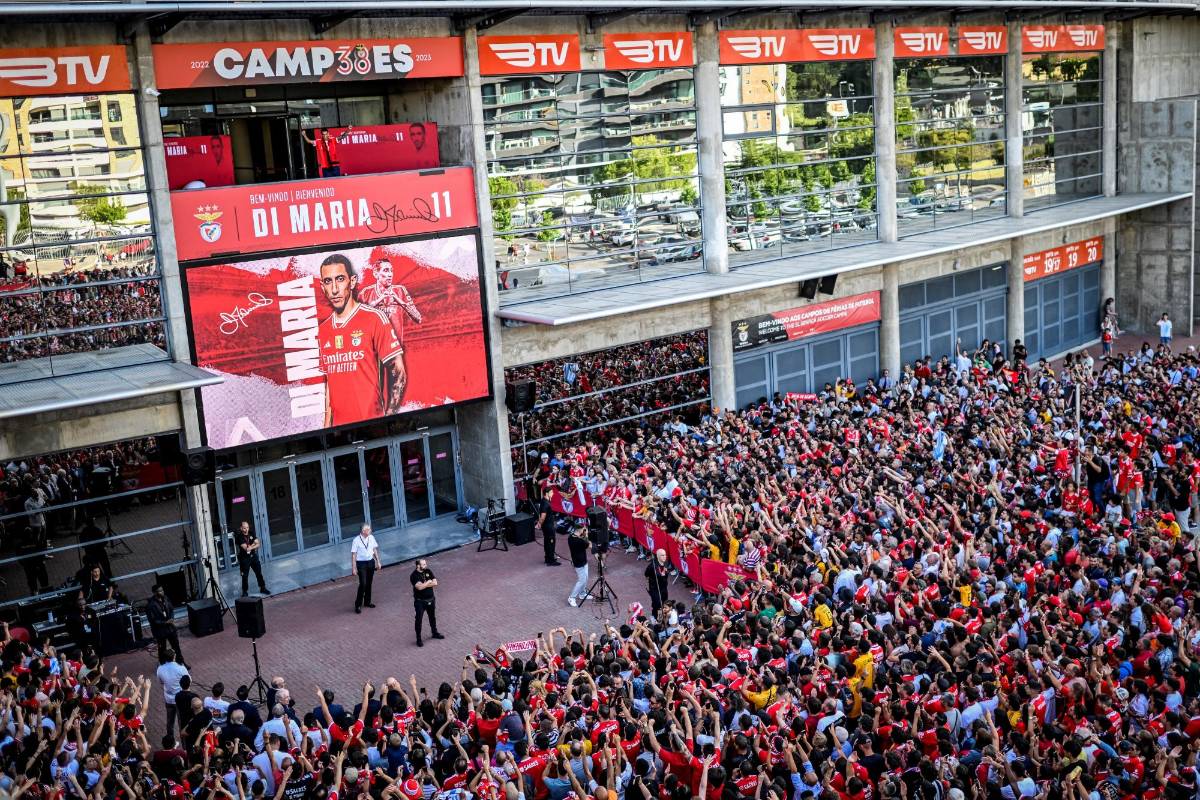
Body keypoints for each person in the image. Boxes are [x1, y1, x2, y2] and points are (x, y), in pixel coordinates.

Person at [317, 253, 407, 427]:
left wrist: (388, 420)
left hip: (372, 428)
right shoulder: (323, 330)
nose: (334, 288)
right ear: (323, 286)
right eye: (328, 281)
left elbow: (399, 373)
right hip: (339, 432)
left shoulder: (374, 319)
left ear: (352, 281)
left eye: (340, 279)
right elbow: (330, 382)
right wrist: (327, 428)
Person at [359, 257, 422, 346]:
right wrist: (378, 300)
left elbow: (418, 318)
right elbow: (358, 321)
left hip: (395, 349)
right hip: (374, 349)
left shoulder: (400, 290)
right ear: (376, 274)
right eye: (386, 270)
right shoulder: (366, 293)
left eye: (391, 271)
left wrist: (400, 301)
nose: (390, 274)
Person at [155, 647, 189, 734]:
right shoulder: (181, 668)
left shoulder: (160, 669)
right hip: (180, 699)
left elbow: (161, 682)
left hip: (168, 699)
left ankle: (170, 740)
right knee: (182, 721)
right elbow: (189, 681)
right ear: (174, 657)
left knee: (170, 722)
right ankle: (183, 742)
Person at [147, 582, 184, 663]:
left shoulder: (166, 598)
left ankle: (181, 662)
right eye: (159, 591)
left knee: (176, 647)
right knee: (162, 649)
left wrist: (171, 618)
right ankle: (163, 665)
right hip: (160, 631)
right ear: (154, 593)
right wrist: (165, 622)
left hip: (170, 628)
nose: (162, 592)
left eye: (162, 590)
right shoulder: (151, 605)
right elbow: (152, 620)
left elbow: (171, 609)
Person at [410, 558, 443, 646]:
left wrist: (425, 584)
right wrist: (428, 582)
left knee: (432, 617)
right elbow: (419, 588)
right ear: (418, 566)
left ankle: (434, 633)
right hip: (420, 602)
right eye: (423, 564)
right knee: (419, 620)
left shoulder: (428, 571)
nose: (426, 565)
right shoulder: (414, 575)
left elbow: (435, 583)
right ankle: (419, 639)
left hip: (431, 599)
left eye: (425, 564)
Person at [350, 523, 381, 614]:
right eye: (368, 529)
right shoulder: (356, 540)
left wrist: (378, 561)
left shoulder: (371, 537)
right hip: (361, 564)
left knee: (369, 583)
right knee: (363, 583)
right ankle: (358, 605)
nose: (370, 530)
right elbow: (353, 554)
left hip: (370, 562)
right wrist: (354, 568)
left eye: (370, 529)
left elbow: (374, 549)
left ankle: (367, 602)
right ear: (363, 531)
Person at [235, 520, 269, 597]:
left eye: (247, 527)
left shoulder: (251, 533)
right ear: (241, 528)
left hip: (253, 557)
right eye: (244, 528)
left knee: (259, 573)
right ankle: (244, 592)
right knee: (245, 576)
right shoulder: (239, 537)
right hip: (244, 559)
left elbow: (258, 544)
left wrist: (251, 546)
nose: (246, 529)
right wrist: (253, 544)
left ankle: (262, 588)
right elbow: (246, 549)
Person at [537, 482, 563, 566]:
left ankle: (548, 557)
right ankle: (551, 560)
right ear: (547, 493)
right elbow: (543, 516)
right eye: (551, 492)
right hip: (548, 527)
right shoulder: (545, 503)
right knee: (550, 542)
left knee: (547, 541)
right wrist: (539, 524)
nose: (553, 494)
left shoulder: (544, 501)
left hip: (547, 526)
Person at [565, 522, 591, 607]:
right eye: (584, 529)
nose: (585, 530)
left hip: (582, 561)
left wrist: (582, 535)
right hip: (579, 563)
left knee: (586, 578)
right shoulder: (579, 541)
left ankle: (582, 593)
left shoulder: (570, 537)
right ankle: (571, 597)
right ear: (580, 529)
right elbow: (589, 545)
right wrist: (586, 535)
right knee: (581, 580)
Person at [645, 547, 669, 616]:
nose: (664, 557)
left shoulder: (666, 562)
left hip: (664, 587)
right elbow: (646, 574)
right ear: (658, 556)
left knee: (665, 602)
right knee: (657, 604)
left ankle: (663, 616)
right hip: (655, 588)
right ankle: (656, 616)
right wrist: (652, 581)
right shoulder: (652, 566)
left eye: (665, 555)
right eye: (662, 555)